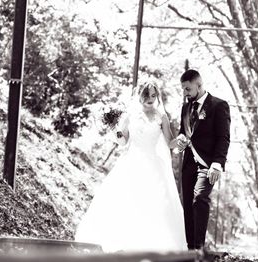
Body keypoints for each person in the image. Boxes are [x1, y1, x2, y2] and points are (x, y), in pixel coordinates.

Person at [75, 81, 187, 252]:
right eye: (146, 95)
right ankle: (124, 243)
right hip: (132, 163)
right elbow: (123, 141)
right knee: (127, 201)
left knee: (155, 204)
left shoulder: (161, 117)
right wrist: (118, 133)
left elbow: (170, 142)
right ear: (139, 95)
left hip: (153, 165)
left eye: (153, 95)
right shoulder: (129, 116)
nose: (150, 98)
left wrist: (180, 141)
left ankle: (150, 245)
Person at [173, 69, 231, 250]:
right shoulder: (185, 108)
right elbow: (184, 132)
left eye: (188, 89)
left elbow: (224, 138)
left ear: (199, 85)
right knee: (188, 204)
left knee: (200, 198)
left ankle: (199, 248)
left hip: (209, 164)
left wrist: (217, 164)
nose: (185, 93)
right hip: (189, 163)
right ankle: (190, 248)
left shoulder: (218, 105)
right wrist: (181, 141)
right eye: (183, 89)